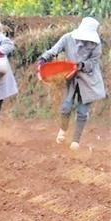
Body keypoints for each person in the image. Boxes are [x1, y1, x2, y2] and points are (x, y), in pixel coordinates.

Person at [38, 17, 106, 150]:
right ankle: (63, 132)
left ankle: (76, 141)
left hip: (89, 80)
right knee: (66, 106)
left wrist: (81, 65)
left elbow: (92, 63)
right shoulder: (68, 38)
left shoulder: (96, 45)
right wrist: (43, 59)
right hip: (71, 77)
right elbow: (53, 51)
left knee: (82, 110)